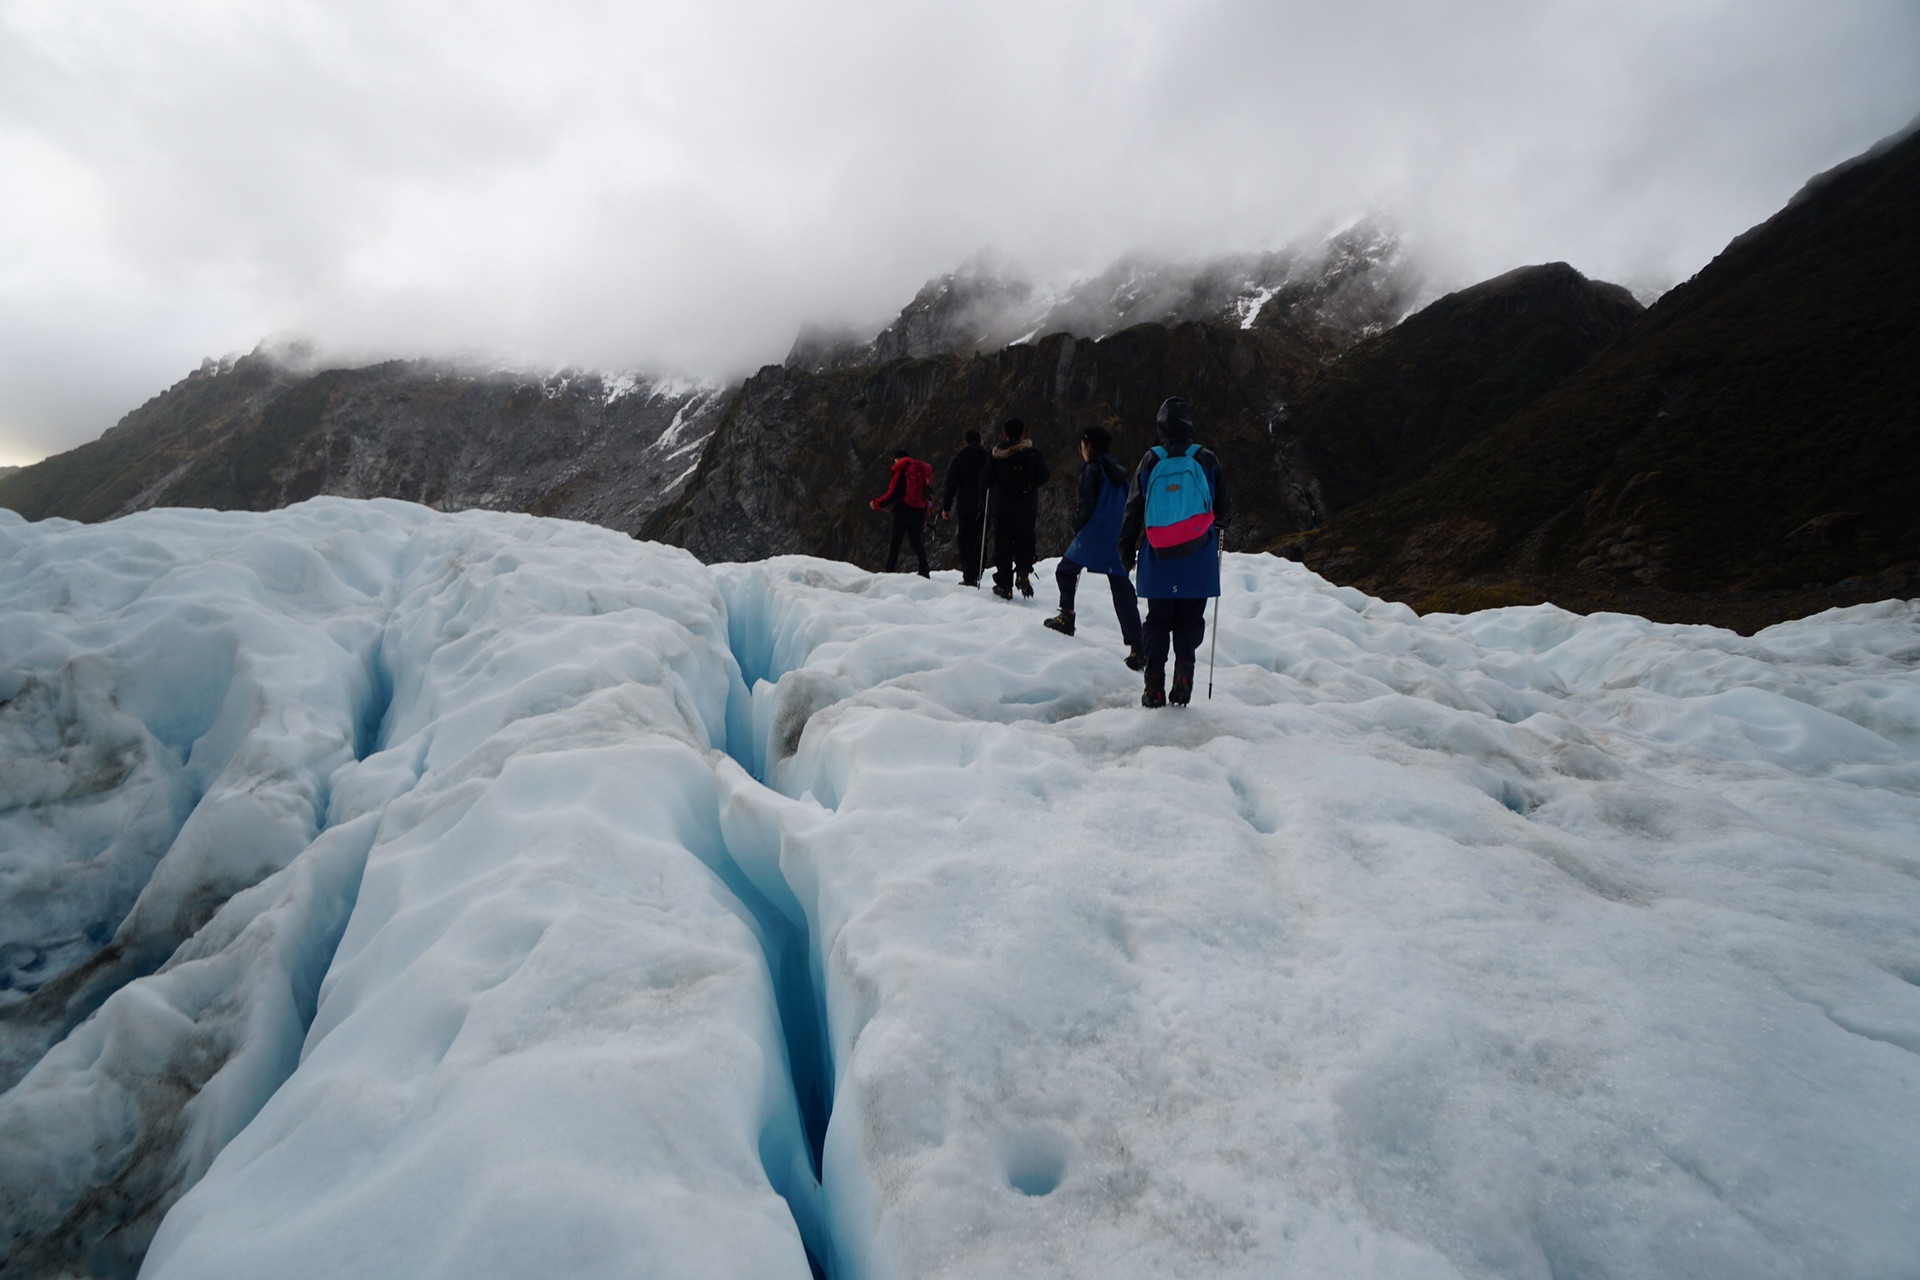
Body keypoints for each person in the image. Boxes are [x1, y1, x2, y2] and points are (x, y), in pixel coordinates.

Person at [1119, 396, 1231, 707]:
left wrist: (1126, 549)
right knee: (1189, 619)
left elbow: (1133, 510)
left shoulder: (1150, 460)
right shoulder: (1206, 459)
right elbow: (1224, 513)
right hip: (1198, 556)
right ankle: (1185, 675)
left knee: (1157, 621)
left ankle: (1153, 687)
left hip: (1159, 555)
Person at [1043, 425, 1144, 669]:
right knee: (1121, 588)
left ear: (1090, 446)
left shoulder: (1092, 469)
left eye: (1082, 445)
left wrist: (1076, 527)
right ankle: (1137, 647)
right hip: (1117, 535)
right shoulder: (1119, 472)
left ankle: (1067, 617)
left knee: (1065, 570)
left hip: (1094, 532)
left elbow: (1085, 504)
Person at [981, 418, 1049, 599]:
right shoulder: (1033, 454)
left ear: (1005, 433)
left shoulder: (995, 455)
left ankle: (1005, 584)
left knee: (1002, 545)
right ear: (1023, 433)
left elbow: (985, 480)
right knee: (1025, 541)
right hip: (1026, 508)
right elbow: (1043, 477)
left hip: (1002, 508)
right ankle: (1022, 574)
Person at [938, 429, 990, 587]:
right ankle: (978, 571)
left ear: (965, 442)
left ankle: (969, 575)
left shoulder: (959, 459)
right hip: (984, 505)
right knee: (980, 539)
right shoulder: (988, 458)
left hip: (966, 505)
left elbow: (951, 485)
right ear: (980, 441)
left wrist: (946, 507)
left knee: (964, 540)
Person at [870, 447, 933, 576]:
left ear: (897, 459)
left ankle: (890, 572)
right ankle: (924, 571)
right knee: (916, 542)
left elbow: (892, 493)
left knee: (895, 542)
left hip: (903, 510)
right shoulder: (920, 470)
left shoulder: (901, 470)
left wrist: (877, 503)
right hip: (919, 510)